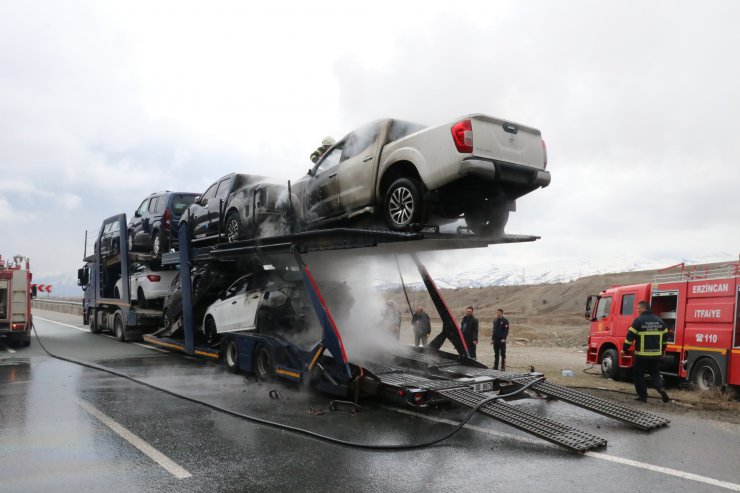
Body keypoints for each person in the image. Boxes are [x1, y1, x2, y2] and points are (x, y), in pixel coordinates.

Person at [622, 301, 670, 403]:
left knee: (638, 375)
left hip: (641, 355)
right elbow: (666, 337)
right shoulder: (659, 321)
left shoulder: (638, 321)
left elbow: (629, 337)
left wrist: (625, 348)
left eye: (638, 308)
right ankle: (661, 388)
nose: (637, 310)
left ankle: (642, 396)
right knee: (655, 374)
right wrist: (663, 349)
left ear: (643, 309)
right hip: (656, 355)